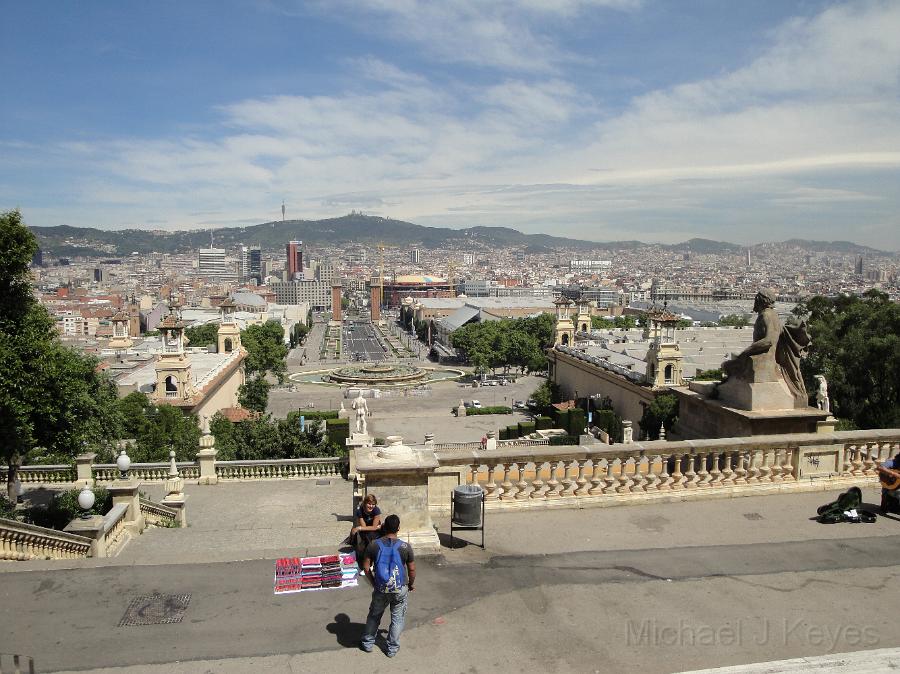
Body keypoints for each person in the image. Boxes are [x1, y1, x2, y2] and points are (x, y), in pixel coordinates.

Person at [360, 514, 416, 657]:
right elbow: (412, 569)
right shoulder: (405, 546)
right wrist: (410, 584)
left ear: (384, 527)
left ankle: (367, 643)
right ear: (398, 528)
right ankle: (391, 649)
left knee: (374, 615)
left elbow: (366, 568)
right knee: (397, 618)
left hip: (380, 588)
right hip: (400, 587)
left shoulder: (373, 545)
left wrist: (374, 583)